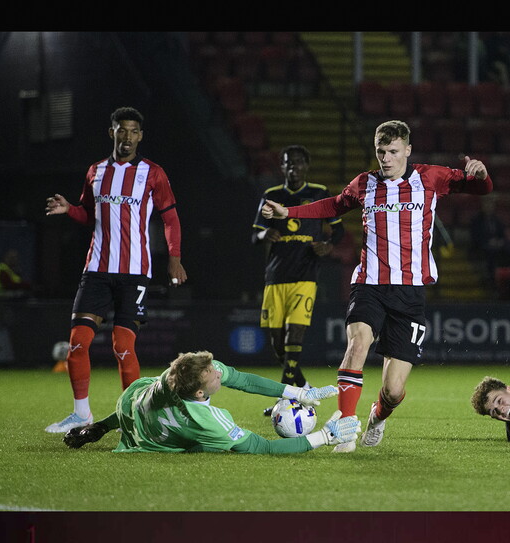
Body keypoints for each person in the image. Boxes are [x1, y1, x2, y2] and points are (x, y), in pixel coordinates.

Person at [260, 119, 494, 452]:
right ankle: (344, 424)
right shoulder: (364, 184)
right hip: (369, 283)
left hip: (410, 292)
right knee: (357, 345)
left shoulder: (431, 177)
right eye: (380, 151)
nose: (385, 158)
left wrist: (482, 176)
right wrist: (289, 212)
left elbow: (480, 189)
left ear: (407, 150)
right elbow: (333, 205)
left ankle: (377, 417)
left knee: (394, 390)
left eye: (393, 151)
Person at [43, 106, 188, 434]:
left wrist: (174, 258)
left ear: (140, 135)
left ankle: (132, 418)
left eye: (133, 131)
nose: (127, 136)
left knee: (123, 345)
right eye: (121, 130)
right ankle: (81, 414)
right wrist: (70, 210)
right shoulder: (96, 171)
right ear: (112, 133)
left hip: (134, 273)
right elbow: (88, 214)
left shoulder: (153, 173)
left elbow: (171, 219)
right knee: (78, 341)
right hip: (96, 269)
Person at [62, 350, 360, 453]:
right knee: (206, 443)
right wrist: (325, 436)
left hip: (132, 407)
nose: (220, 373)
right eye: (214, 375)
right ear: (201, 394)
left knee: (137, 407)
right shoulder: (209, 421)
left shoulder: (177, 374)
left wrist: (298, 394)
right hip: (152, 440)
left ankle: (99, 428)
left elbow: (242, 379)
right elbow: (265, 447)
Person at [251, 145, 344, 416]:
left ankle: (284, 398)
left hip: (306, 274)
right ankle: (304, 388)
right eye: (289, 163)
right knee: (278, 345)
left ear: (307, 165)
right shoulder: (271, 196)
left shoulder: (318, 193)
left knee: (295, 337)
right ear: (282, 166)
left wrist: (327, 245)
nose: (294, 167)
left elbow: (338, 231)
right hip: (276, 275)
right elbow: (254, 234)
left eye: (299, 163)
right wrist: (262, 236)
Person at [468, 194, 510, 284]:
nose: (489, 207)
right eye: (486, 204)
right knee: (490, 252)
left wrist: (500, 241)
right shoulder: (476, 220)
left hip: (497, 244)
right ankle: (491, 278)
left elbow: (502, 234)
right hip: (483, 245)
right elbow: (475, 237)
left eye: (491, 204)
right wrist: (488, 241)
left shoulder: (497, 219)